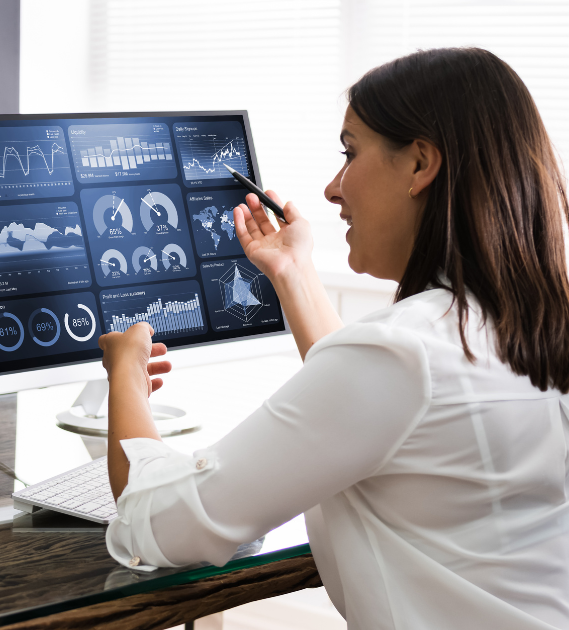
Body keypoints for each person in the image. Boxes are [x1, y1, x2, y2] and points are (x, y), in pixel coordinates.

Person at [100, 48, 569, 629]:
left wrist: (125, 372)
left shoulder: (405, 354)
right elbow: (380, 408)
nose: (331, 188)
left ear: (421, 164)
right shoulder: (525, 327)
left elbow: (157, 525)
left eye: (350, 154)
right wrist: (292, 272)